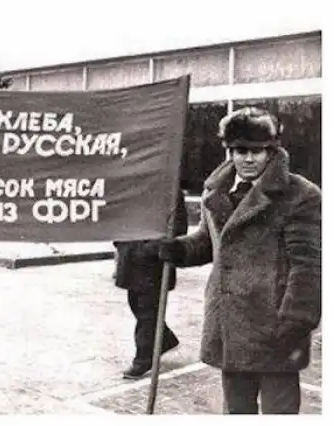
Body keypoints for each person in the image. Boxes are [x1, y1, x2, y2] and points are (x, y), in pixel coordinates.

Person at [155, 107, 321, 414]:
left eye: (257, 151)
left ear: (272, 150)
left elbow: (308, 266)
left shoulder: (300, 195)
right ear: (229, 151)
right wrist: (178, 250)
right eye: (240, 150)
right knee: (236, 411)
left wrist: (297, 319)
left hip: (276, 327)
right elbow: (208, 243)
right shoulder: (215, 191)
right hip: (230, 324)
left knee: (280, 413)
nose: (248, 159)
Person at [114, 188, 188, 379]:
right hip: (130, 258)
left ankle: (143, 359)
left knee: (147, 312)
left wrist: (151, 249)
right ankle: (165, 338)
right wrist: (120, 243)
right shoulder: (133, 186)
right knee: (137, 306)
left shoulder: (170, 187)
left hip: (153, 263)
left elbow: (179, 227)